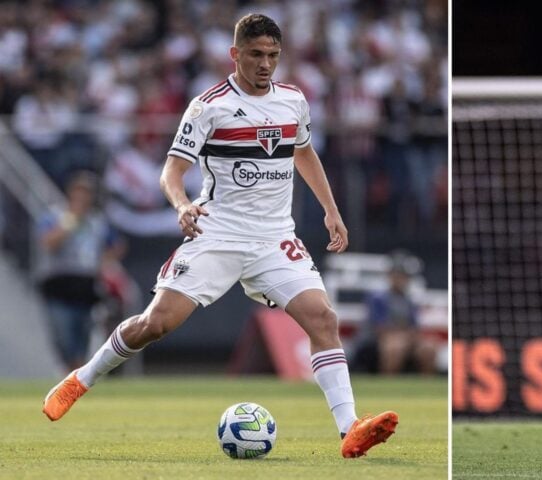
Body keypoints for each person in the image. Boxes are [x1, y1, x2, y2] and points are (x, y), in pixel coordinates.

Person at [43, 13, 398, 459]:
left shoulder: (293, 100)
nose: (265, 64)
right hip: (219, 233)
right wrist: (182, 205)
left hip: (274, 237)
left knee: (323, 318)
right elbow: (172, 171)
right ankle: (82, 379)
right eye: (255, 55)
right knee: (156, 324)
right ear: (235, 54)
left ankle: (350, 429)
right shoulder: (209, 105)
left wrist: (331, 209)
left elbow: (303, 151)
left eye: (272, 55)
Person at [35, 171, 124, 370]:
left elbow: (117, 245)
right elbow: (49, 243)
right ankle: (72, 372)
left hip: (85, 286)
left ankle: (75, 378)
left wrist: (102, 262)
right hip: (58, 285)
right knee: (63, 337)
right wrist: (70, 221)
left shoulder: (96, 221)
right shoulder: (54, 215)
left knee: (82, 337)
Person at [365, 255, 436, 375]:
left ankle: (426, 386)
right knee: (394, 348)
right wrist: (401, 335)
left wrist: (409, 337)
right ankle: (388, 384)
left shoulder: (409, 300)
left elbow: (414, 326)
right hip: (383, 338)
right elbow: (379, 327)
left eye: (403, 277)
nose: (400, 280)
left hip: (407, 338)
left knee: (428, 348)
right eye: (396, 276)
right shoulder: (378, 298)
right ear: (390, 277)